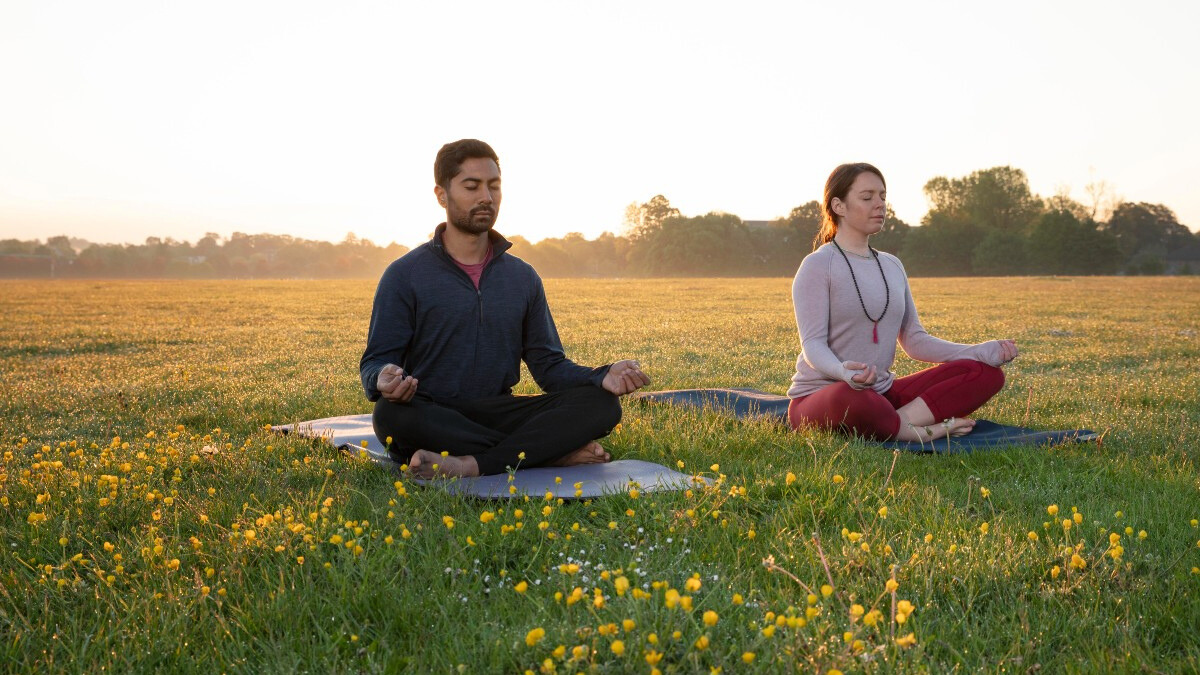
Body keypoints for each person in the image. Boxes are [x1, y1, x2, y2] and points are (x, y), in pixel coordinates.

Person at [361, 139, 650, 478]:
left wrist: (602, 375)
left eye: (494, 186)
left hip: (498, 409)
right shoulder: (405, 274)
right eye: (472, 186)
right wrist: (382, 378)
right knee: (390, 417)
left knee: (601, 405)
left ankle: (471, 464)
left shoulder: (522, 277)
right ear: (442, 195)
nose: (486, 197)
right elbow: (376, 360)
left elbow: (549, 367)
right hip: (432, 411)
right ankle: (542, 453)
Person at [787, 163, 1018, 442]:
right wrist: (842, 372)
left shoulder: (892, 265)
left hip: (881, 395)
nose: (880, 205)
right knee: (854, 396)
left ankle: (896, 425)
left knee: (985, 374)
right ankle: (922, 431)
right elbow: (812, 345)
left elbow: (915, 341)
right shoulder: (818, 265)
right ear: (839, 206)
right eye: (867, 197)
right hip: (827, 396)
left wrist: (977, 351)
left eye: (883, 196)